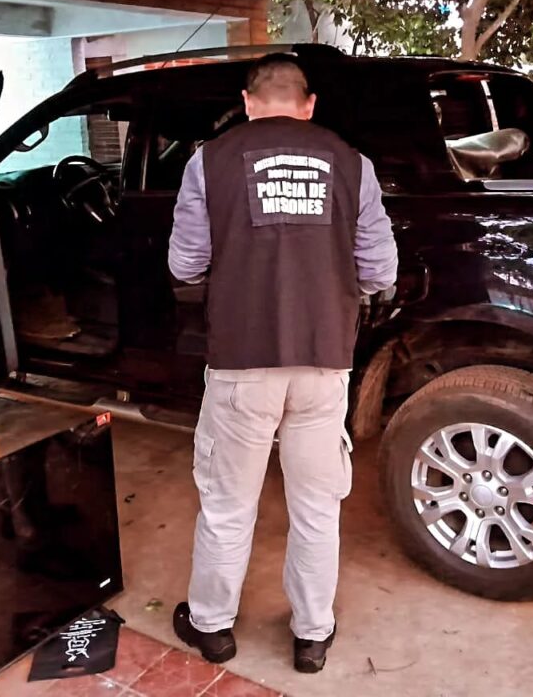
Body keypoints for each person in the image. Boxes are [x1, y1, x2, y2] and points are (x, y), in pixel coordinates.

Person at [167, 53, 398, 673]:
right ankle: (312, 636)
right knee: (316, 508)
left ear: (247, 102)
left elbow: (183, 263)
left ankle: (212, 627)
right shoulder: (352, 164)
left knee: (227, 502)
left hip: (242, 363)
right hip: (324, 362)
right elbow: (380, 270)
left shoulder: (209, 160)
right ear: (309, 104)